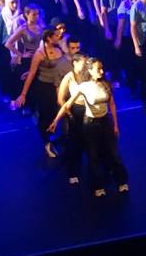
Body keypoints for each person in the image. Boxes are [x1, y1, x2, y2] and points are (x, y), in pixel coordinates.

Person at [49, 59, 128, 197]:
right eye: (98, 69)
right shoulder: (83, 87)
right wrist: (56, 120)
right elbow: (67, 104)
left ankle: (121, 182)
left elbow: (112, 105)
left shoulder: (106, 84)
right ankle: (98, 186)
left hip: (105, 122)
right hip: (91, 124)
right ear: (90, 71)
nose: (101, 71)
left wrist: (115, 124)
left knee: (113, 153)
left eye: (102, 68)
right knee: (93, 155)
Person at [13, 17, 69, 157]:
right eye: (56, 35)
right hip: (45, 89)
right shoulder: (40, 53)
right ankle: (47, 143)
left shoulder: (59, 49)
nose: (59, 36)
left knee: (61, 114)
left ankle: (61, 139)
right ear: (49, 38)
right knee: (47, 116)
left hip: (59, 86)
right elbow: (32, 74)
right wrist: (23, 94)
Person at [56, 43, 90, 185]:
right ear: (75, 63)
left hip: (88, 111)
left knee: (91, 141)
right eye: (83, 63)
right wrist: (69, 114)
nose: (85, 65)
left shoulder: (88, 75)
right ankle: (73, 172)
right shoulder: (69, 77)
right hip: (74, 111)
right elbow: (60, 99)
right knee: (75, 143)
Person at [4, 2, 43, 101]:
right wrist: (20, 54)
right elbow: (8, 43)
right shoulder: (23, 28)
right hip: (29, 58)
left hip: (41, 56)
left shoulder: (41, 26)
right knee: (28, 82)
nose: (37, 17)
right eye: (34, 14)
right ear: (27, 14)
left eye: (38, 14)